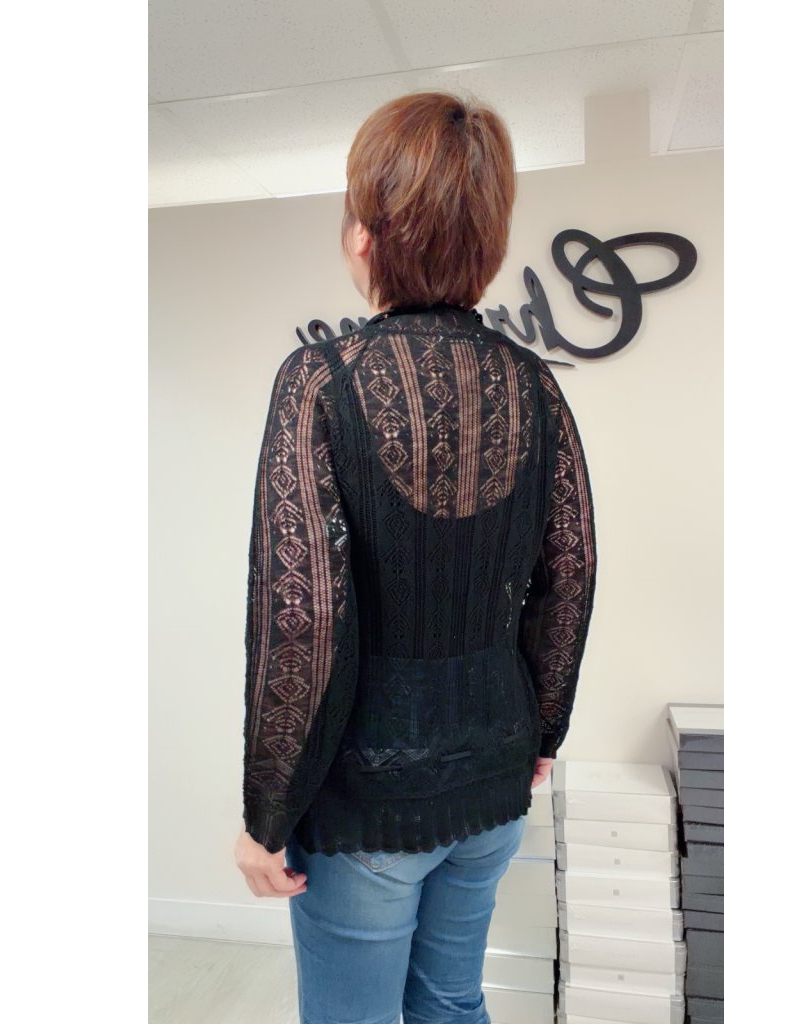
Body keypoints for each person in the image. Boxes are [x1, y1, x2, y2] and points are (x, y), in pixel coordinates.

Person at [234, 90, 597, 1024]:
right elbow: (570, 576)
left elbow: (302, 617)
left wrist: (266, 813)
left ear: (365, 234)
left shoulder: (319, 382)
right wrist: (542, 733)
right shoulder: (537, 386)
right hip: (494, 780)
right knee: (450, 1004)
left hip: (369, 799)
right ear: (489, 239)